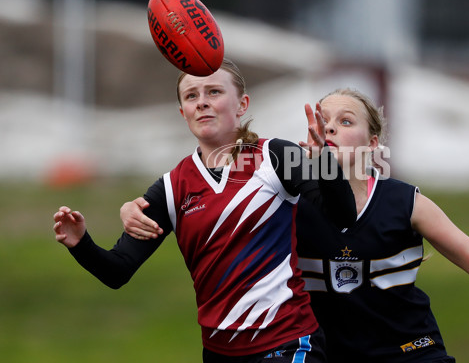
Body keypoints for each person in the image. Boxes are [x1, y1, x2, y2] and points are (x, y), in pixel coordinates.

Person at [121, 88, 469, 363]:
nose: (333, 129)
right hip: (327, 356)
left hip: (410, 351)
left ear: (373, 141)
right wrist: (136, 209)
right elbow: (211, 201)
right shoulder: (285, 202)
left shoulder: (405, 200)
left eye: (346, 121)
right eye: (324, 122)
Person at [53, 58, 357, 363]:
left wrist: (324, 162)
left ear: (241, 104)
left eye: (213, 92)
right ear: (182, 112)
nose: (202, 103)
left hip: (287, 343)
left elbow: (343, 216)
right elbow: (117, 270)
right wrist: (80, 243)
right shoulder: (172, 188)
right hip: (219, 353)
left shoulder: (275, 155)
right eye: (191, 96)